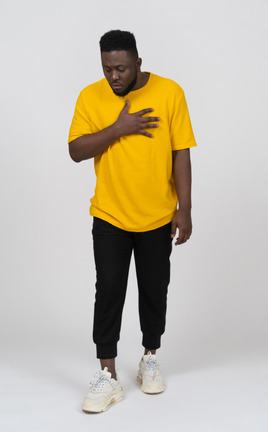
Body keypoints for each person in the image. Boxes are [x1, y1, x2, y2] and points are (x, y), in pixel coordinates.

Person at [68, 29, 197, 413]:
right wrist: (117, 129)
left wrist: (185, 208)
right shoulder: (90, 96)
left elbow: (181, 152)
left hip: (157, 215)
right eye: (107, 69)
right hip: (110, 214)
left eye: (121, 69)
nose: (114, 77)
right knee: (108, 289)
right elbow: (75, 150)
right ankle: (108, 374)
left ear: (138, 63)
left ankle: (149, 357)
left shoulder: (170, 92)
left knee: (155, 289)